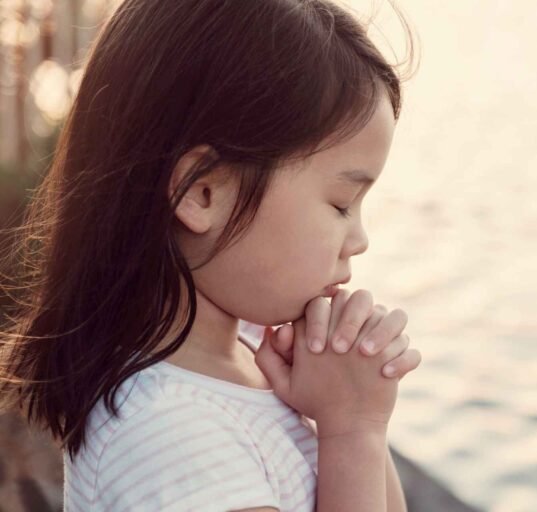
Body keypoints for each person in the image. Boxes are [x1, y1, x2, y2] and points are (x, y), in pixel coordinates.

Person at [0, 0, 422, 510]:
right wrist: (353, 430)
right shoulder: (168, 437)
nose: (359, 240)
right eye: (340, 204)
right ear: (203, 192)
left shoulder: (251, 355)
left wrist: (348, 409)